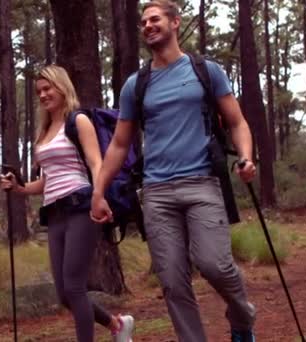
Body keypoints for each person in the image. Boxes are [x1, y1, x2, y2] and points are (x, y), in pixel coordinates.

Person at [90, 1, 257, 341]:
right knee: (172, 280)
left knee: (215, 265)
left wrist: (246, 157)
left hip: (202, 184)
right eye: (143, 22)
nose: (148, 25)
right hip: (156, 192)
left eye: (155, 19)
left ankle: (242, 317)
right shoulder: (136, 85)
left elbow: (238, 121)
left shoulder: (205, 70)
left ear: (175, 22)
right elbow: (120, 145)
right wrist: (98, 191)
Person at [0, 64, 135, 342]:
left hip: (81, 206)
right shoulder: (45, 131)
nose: (43, 95)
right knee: (64, 294)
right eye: (39, 91)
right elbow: (47, 182)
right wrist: (18, 188)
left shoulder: (79, 120)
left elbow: (96, 162)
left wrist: (99, 198)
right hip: (55, 213)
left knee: (74, 287)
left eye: (48, 88)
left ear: (62, 87)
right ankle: (117, 325)